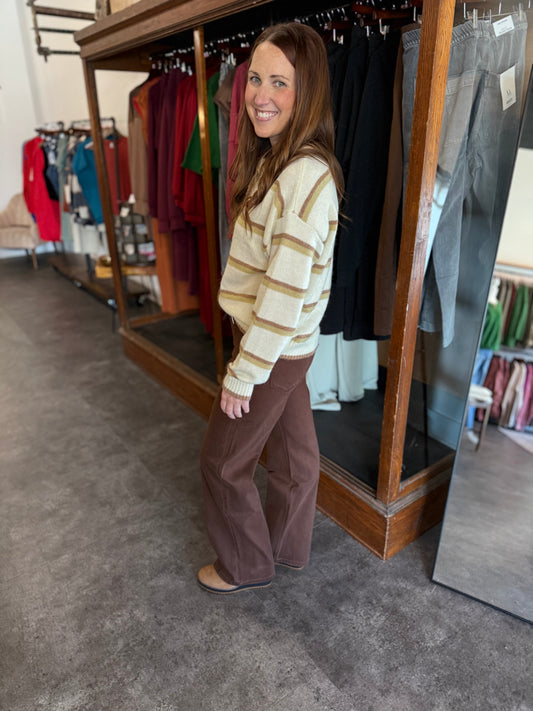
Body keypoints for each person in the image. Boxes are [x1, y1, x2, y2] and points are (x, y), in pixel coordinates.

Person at [198, 22, 344, 594]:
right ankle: (285, 548)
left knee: (222, 461)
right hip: (286, 344)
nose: (260, 95)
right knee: (294, 454)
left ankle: (245, 565)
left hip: (272, 346)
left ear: (306, 92)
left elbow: (283, 297)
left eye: (279, 83)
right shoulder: (280, 160)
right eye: (256, 79)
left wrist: (244, 373)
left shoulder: (301, 176)